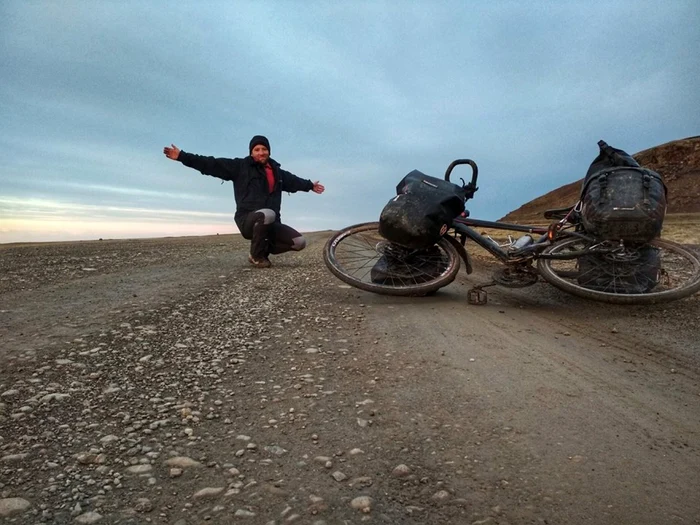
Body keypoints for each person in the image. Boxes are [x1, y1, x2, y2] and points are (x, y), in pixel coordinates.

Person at [163, 136, 325, 268]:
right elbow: (211, 164)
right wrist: (183, 157)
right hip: (248, 219)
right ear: (251, 152)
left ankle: (262, 247)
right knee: (267, 214)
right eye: (257, 150)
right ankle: (256, 256)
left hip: (272, 223)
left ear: (269, 151)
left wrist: (310, 185)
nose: (261, 152)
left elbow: (294, 181)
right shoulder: (240, 167)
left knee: (299, 242)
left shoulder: (277, 172)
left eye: (264, 149)